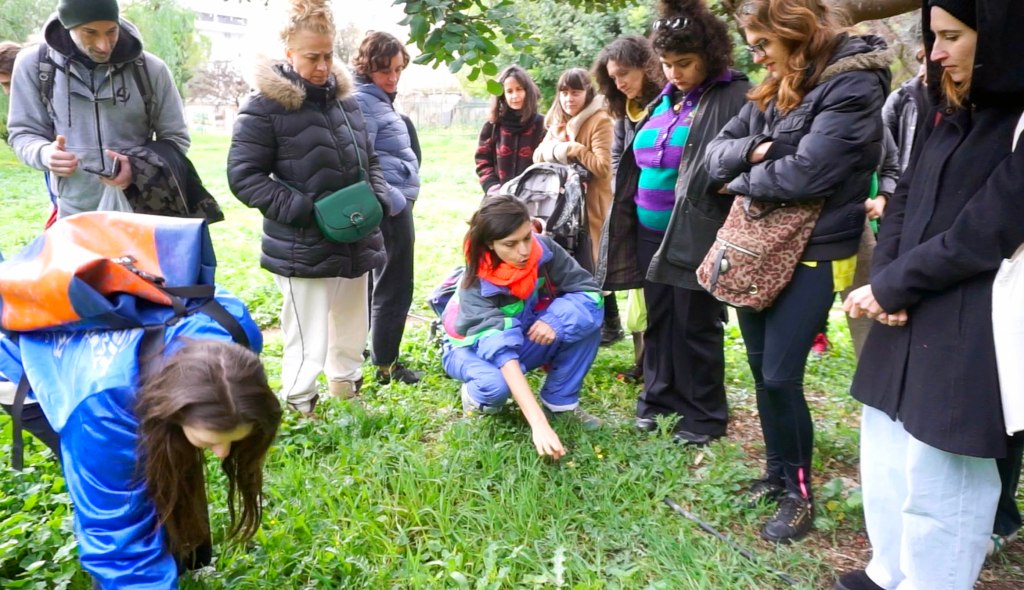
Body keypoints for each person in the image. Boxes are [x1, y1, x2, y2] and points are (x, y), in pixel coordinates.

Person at [839, 1, 1024, 587]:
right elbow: (906, 194)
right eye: (932, 36)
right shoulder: (943, 102)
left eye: (952, 36)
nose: (936, 52)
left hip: (974, 311)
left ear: (1000, 35)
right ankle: (889, 568)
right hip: (909, 294)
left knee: (945, 469)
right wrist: (886, 278)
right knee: (887, 443)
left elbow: (987, 230)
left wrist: (895, 284)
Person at [705, 0, 890, 543]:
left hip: (815, 249)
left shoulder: (854, 84)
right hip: (757, 248)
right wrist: (761, 149)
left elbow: (810, 173)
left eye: (763, 44)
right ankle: (775, 473)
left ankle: (799, 493)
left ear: (796, 32)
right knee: (761, 370)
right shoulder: (776, 84)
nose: (757, 57)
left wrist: (739, 179)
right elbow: (715, 153)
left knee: (783, 375)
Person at [0, 288, 281, 588]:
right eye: (211, 441)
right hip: (29, 369)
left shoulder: (233, 330)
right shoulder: (101, 415)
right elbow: (117, 544)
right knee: (129, 493)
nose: (222, 453)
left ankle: (189, 558)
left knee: (173, 456)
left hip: (129, 369)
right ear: (174, 410)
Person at [228, 0, 391, 416]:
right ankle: (302, 405)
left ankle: (346, 389)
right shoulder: (264, 107)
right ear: (289, 53)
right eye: (311, 57)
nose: (322, 66)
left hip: (356, 234)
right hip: (301, 243)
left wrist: (375, 195)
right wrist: (305, 211)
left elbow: (370, 158)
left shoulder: (347, 102)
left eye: (328, 56)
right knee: (307, 332)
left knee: (352, 322)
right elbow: (244, 176)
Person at [441, 195, 605, 460]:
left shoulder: (545, 249)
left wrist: (556, 321)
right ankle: (475, 397)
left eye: (527, 237)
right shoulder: (475, 282)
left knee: (583, 320)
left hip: (521, 335)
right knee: (496, 386)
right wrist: (539, 425)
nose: (525, 251)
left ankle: (560, 403)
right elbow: (503, 354)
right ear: (490, 244)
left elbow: (588, 292)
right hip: (469, 349)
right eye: (510, 244)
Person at [6, 0, 189, 217]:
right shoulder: (33, 65)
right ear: (67, 25)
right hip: (73, 210)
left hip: (141, 208)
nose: (104, 45)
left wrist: (138, 168)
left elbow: (176, 138)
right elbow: (23, 133)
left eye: (112, 32)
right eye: (90, 33)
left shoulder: (152, 69)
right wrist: (44, 153)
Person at [352, 31, 423, 386]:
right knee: (394, 284)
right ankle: (386, 365)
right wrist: (394, 201)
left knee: (377, 282)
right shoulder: (364, 102)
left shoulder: (377, 99)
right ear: (366, 68)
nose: (393, 78)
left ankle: (372, 352)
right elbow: (360, 160)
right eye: (385, 70)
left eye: (398, 70)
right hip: (387, 206)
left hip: (390, 201)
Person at [592, 35, 665, 381]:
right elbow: (619, 161)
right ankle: (645, 365)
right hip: (636, 216)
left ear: (647, 66)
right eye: (613, 77)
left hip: (668, 220)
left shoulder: (668, 105)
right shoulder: (625, 112)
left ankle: (659, 369)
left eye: (624, 73)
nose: (619, 83)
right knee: (640, 296)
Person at [475, 65, 545, 197]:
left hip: (534, 197)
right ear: (502, 95)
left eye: (519, 89)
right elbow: (482, 160)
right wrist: (494, 188)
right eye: (509, 91)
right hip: (499, 197)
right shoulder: (493, 125)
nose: (515, 96)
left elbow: (548, 163)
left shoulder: (542, 125)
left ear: (527, 91)